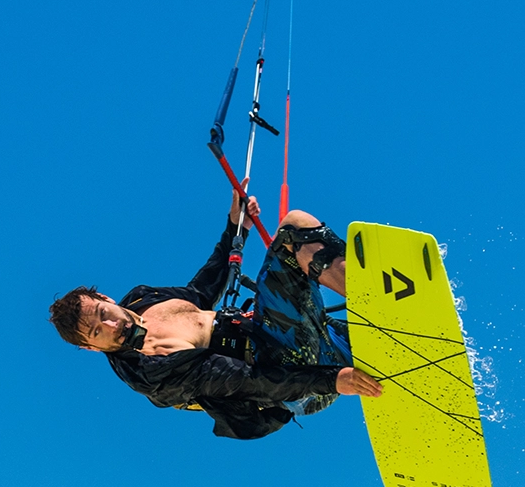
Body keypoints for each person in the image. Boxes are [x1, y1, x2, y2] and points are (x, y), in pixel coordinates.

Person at [49, 183, 382, 439]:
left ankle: (376, 301)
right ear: (91, 347)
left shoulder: (140, 299)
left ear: (105, 298)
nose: (111, 325)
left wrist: (236, 226)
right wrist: (330, 380)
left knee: (299, 228)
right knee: (293, 225)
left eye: (103, 313)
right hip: (289, 376)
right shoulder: (152, 370)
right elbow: (249, 382)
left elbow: (201, 291)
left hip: (291, 333)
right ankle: (365, 320)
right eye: (97, 332)